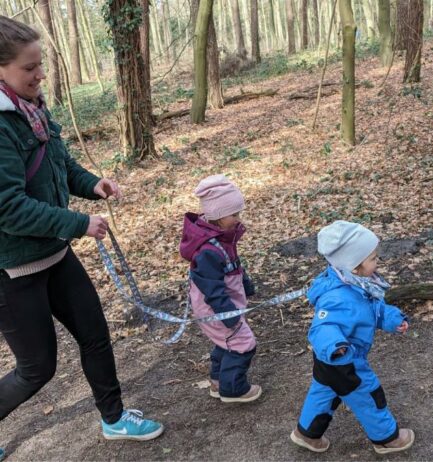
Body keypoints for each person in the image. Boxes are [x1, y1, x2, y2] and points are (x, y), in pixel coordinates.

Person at [0, 16, 163, 457]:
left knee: (94, 333)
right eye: (29, 67)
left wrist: (93, 184)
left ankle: (114, 419)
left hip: (53, 254)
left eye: (41, 65)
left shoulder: (33, 108)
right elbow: (8, 209)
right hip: (11, 269)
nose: (40, 75)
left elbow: (60, 164)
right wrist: (78, 223)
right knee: (37, 369)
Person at [290, 221, 415, 454]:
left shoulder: (356, 285)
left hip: (329, 362)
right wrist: (336, 346)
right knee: (368, 395)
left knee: (323, 393)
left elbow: (373, 310)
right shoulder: (338, 297)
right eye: (373, 258)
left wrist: (392, 318)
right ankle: (387, 438)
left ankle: (307, 434)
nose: (378, 262)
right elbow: (323, 326)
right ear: (354, 266)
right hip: (344, 359)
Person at [179, 174, 261, 403]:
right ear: (216, 215)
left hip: (226, 305)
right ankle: (233, 389)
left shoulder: (223, 239)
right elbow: (212, 289)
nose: (238, 219)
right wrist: (229, 316)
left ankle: (218, 380)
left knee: (228, 341)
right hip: (217, 309)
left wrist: (246, 286)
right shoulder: (208, 251)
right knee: (244, 343)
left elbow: (234, 266)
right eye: (233, 214)